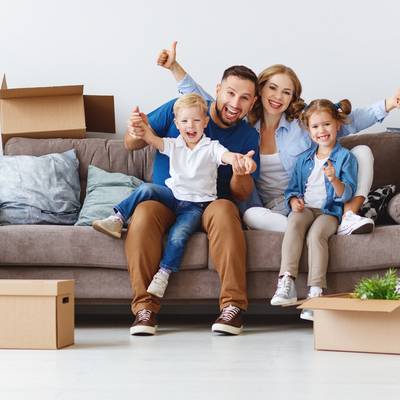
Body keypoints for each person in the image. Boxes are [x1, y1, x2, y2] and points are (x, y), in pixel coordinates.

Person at [157, 41, 400, 234]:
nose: (278, 97)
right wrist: (174, 68)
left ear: (292, 97)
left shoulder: (302, 124)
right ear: (258, 91)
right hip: (270, 209)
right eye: (272, 88)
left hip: (306, 202)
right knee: (250, 214)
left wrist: (389, 103)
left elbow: (348, 121)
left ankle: (348, 216)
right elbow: (205, 100)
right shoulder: (242, 122)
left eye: (287, 92)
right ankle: (311, 232)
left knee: (362, 152)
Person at [123, 64, 260, 336]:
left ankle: (232, 307)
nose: (235, 103)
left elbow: (242, 192)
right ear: (218, 90)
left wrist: (240, 171)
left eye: (244, 98)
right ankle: (144, 309)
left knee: (225, 210)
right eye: (230, 93)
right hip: (168, 201)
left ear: (253, 102)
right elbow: (131, 143)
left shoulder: (247, 136)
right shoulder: (181, 108)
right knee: (144, 212)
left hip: (209, 203)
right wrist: (136, 130)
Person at [92, 93, 255, 299]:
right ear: (177, 124)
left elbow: (227, 156)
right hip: (172, 197)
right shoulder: (174, 143)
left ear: (205, 122)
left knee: (178, 236)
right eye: (185, 121)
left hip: (197, 205)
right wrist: (140, 126)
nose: (191, 126)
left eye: (196, 120)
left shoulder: (211, 147)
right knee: (145, 189)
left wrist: (241, 160)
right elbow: (150, 138)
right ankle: (117, 218)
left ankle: (164, 272)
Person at [269, 98, 358, 321]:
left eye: (327, 124)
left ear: (338, 125)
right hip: (306, 208)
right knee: (295, 223)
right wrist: (293, 201)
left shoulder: (346, 157)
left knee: (316, 235)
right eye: (315, 126)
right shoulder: (304, 160)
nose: (322, 131)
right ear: (308, 131)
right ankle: (286, 281)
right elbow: (292, 189)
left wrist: (334, 179)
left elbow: (347, 194)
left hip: (329, 212)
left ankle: (316, 293)